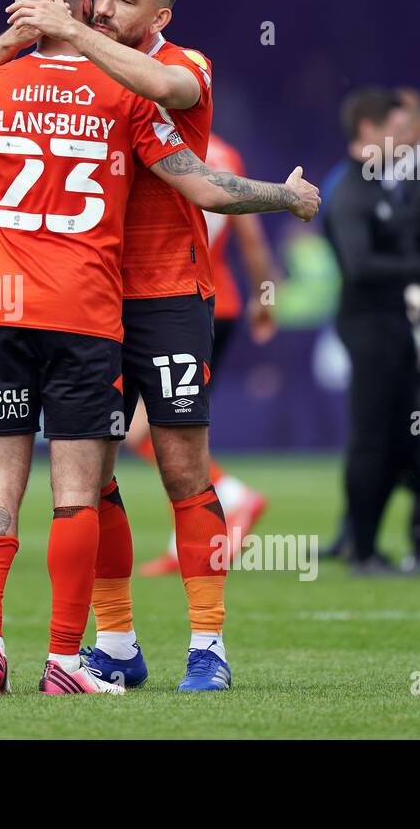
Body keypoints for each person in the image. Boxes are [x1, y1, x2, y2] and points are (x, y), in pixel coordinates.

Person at [0, 0, 318, 696]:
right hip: (88, 300)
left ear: (160, 15)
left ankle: (208, 644)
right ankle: (113, 643)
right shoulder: (82, 69)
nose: (106, 8)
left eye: (124, 0)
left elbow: (175, 118)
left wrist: (66, 33)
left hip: (167, 295)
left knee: (180, 470)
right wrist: (35, 36)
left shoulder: (180, 69)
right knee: (93, 478)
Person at [322, 87, 420, 573]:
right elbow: (360, 264)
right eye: (395, 129)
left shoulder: (379, 186)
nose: (405, 138)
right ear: (368, 132)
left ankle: (374, 543)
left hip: (392, 327)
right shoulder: (351, 192)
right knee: (371, 438)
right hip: (369, 329)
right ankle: (363, 549)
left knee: (396, 438)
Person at [134, 133, 279, 577]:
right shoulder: (225, 152)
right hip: (221, 303)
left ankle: (232, 495)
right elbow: (250, 235)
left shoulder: (148, 140)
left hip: (177, 301)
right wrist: (265, 298)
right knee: (172, 425)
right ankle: (186, 544)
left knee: (145, 427)